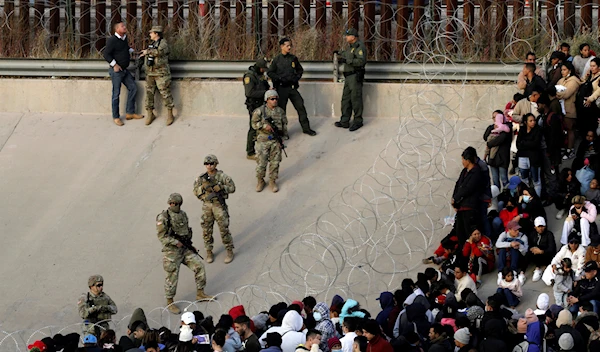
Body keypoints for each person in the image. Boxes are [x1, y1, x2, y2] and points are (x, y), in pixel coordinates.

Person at [156, 193, 212, 314]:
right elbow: (162, 237)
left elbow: (186, 233)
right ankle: (170, 302)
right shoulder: (164, 217)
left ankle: (200, 293)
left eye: (176, 204)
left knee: (199, 266)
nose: (173, 205)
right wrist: (175, 242)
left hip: (184, 249)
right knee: (172, 277)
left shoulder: (183, 215)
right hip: (171, 252)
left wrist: (191, 246)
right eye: (171, 203)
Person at [267, 38, 316, 136]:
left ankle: (306, 128)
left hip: (292, 87)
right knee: (281, 111)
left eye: (290, 45)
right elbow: (270, 72)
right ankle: (282, 132)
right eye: (287, 45)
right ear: (282, 46)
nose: (289, 47)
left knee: (300, 106)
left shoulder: (293, 58)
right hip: (281, 88)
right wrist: (279, 78)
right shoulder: (276, 60)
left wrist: (296, 78)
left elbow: (299, 70)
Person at [192, 154, 236, 264]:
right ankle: (209, 251)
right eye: (206, 164)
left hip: (218, 205)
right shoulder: (202, 178)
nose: (209, 166)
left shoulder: (222, 177)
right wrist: (203, 191)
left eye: (211, 164)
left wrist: (222, 187)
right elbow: (195, 191)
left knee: (224, 229)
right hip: (207, 206)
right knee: (206, 230)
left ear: (215, 164)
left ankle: (229, 250)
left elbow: (232, 188)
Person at [102, 21, 143, 126]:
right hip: (117, 72)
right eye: (122, 26)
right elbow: (106, 54)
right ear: (117, 29)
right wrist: (114, 65)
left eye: (124, 25)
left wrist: (133, 51)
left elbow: (124, 49)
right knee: (116, 94)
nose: (125, 27)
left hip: (124, 70)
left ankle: (130, 112)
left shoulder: (124, 39)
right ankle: (116, 117)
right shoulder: (112, 40)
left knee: (133, 87)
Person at [252, 90, 288, 193]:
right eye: (272, 99)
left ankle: (272, 181)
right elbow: (254, 124)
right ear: (267, 100)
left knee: (275, 163)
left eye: (276, 98)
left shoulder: (280, 111)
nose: (274, 101)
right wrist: (264, 126)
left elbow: (284, 124)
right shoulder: (260, 111)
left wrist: (283, 139)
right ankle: (260, 181)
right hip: (263, 140)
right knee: (261, 163)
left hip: (275, 141)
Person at [334, 28, 367, 132]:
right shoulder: (351, 47)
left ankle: (358, 121)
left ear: (353, 37)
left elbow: (361, 61)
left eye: (348, 36)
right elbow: (347, 54)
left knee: (355, 99)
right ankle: (344, 120)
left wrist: (347, 61)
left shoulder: (359, 47)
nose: (346, 37)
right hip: (348, 77)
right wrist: (339, 52)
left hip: (355, 76)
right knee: (346, 100)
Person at [140, 26, 174, 126]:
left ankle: (170, 114)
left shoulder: (163, 43)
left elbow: (159, 52)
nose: (150, 34)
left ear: (156, 34)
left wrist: (148, 52)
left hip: (161, 73)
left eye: (151, 33)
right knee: (149, 94)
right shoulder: (152, 44)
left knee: (165, 93)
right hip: (150, 73)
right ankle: (150, 113)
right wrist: (145, 54)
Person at [451, 147, 484, 245]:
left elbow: (468, 188)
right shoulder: (464, 171)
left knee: (468, 233)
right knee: (460, 233)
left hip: (470, 207)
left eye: (463, 159)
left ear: (468, 160)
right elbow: (458, 185)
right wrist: (454, 199)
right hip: (461, 207)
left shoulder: (476, 172)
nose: (462, 162)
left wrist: (456, 198)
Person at [243, 58, 271, 160]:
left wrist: (269, 90)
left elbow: (265, 85)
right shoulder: (249, 76)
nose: (264, 70)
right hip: (253, 105)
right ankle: (250, 152)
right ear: (259, 68)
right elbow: (249, 93)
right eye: (263, 68)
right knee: (253, 127)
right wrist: (265, 93)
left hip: (262, 104)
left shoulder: (261, 75)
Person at [555, 62, 581, 159]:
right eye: (562, 70)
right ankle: (564, 148)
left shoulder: (574, 81)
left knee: (570, 130)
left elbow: (566, 94)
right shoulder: (561, 80)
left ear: (570, 70)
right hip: (560, 109)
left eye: (564, 70)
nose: (562, 72)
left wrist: (557, 93)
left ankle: (570, 149)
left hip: (570, 109)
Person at [484, 110, 512, 190]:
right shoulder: (492, 128)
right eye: (493, 117)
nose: (494, 119)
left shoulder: (507, 128)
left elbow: (500, 139)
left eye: (496, 117)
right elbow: (485, 137)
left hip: (502, 158)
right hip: (493, 158)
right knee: (495, 181)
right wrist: (493, 128)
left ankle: (507, 198)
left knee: (504, 179)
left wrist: (489, 144)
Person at [517, 113, 543, 197]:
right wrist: (529, 143)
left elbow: (535, 143)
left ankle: (537, 200)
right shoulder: (522, 130)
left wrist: (524, 143)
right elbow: (518, 144)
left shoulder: (538, 130)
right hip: (522, 157)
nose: (533, 122)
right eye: (530, 121)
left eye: (534, 120)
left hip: (534, 158)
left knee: (536, 180)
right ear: (525, 122)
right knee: (524, 179)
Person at [528, 216, 557, 282]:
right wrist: (532, 248)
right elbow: (530, 245)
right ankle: (522, 273)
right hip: (536, 254)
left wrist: (542, 251)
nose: (541, 228)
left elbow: (552, 249)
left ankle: (540, 268)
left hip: (546, 255)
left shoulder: (549, 234)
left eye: (542, 226)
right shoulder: (532, 234)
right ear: (535, 227)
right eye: (539, 226)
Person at [578, 57, 600, 136]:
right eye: (591, 66)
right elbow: (582, 83)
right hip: (585, 106)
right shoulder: (590, 76)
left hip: (594, 105)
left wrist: (590, 99)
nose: (592, 68)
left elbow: (598, 91)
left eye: (594, 66)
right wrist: (586, 76)